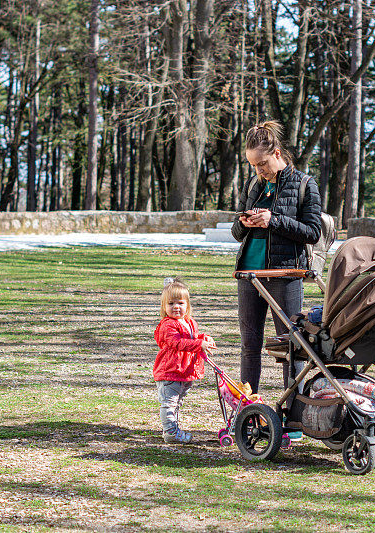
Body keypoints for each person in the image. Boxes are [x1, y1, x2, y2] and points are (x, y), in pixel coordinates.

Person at [232, 120, 322, 395]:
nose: (258, 171)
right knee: (250, 346)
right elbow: (236, 233)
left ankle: (292, 419)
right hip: (249, 274)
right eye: (253, 165)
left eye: (262, 164)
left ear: (277, 154)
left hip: (284, 276)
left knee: (290, 347)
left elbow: (313, 232)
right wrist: (244, 223)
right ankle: (248, 410)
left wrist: (274, 220)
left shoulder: (305, 184)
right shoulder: (253, 185)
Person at [153, 278, 216, 444]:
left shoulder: (189, 322)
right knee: (169, 403)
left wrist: (203, 339)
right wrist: (198, 344)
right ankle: (171, 432)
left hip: (185, 371)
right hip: (170, 371)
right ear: (164, 306)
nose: (176, 307)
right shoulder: (168, 325)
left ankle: (173, 428)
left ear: (187, 305)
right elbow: (177, 343)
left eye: (180, 303)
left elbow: (192, 338)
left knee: (177, 403)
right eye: (171, 303)